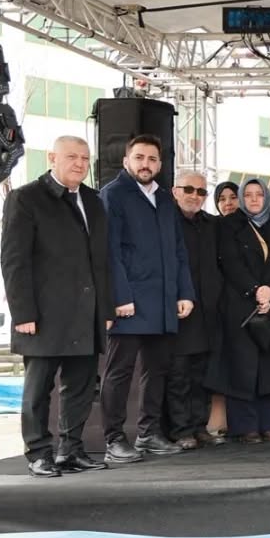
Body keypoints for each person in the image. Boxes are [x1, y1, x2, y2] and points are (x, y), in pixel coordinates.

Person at [1, 136, 113, 477]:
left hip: (86, 313)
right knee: (38, 390)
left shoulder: (94, 200)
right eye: (71, 156)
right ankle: (38, 453)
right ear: (52, 157)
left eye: (85, 158)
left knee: (80, 387)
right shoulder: (26, 198)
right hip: (44, 315)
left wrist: (105, 310)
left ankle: (71, 450)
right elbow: (15, 261)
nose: (79, 163)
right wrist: (23, 313)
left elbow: (102, 262)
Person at [100, 134, 195, 462]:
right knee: (119, 372)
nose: (146, 164)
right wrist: (119, 296)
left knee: (156, 371)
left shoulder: (165, 198)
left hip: (163, 301)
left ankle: (149, 434)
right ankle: (114, 439)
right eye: (139, 157)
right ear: (126, 161)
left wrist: (184, 292)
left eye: (152, 159)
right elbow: (109, 252)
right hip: (129, 302)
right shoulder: (113, 194)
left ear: (160, 164)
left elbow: (179, 250)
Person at [207, 179, 270, 443]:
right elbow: (230, 263)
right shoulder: (229, 225)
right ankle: (245, 427)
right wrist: (255, 290)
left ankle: (267, 425)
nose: (254, 199)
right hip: (241, 304)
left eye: (259, 194)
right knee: (242, 366)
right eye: (248, 195)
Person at [166, 171, 224, 449]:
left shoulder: (212, 225)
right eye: (188, 189)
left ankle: (200, 426)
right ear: (175, 191)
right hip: (179, 310)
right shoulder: (165, 222)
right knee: (179, 374)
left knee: (203, 373)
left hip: (208, 310)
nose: (194, 196)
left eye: (201, 191)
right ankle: (181, 430)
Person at [207, 180, 238, 434]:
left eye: (232, 197)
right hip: (218, 305)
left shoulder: (253, 226)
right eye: (222, 199)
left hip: (245, 305)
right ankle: (218, 422)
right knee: (219, 362)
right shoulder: (212, 227)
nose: (228, 203)